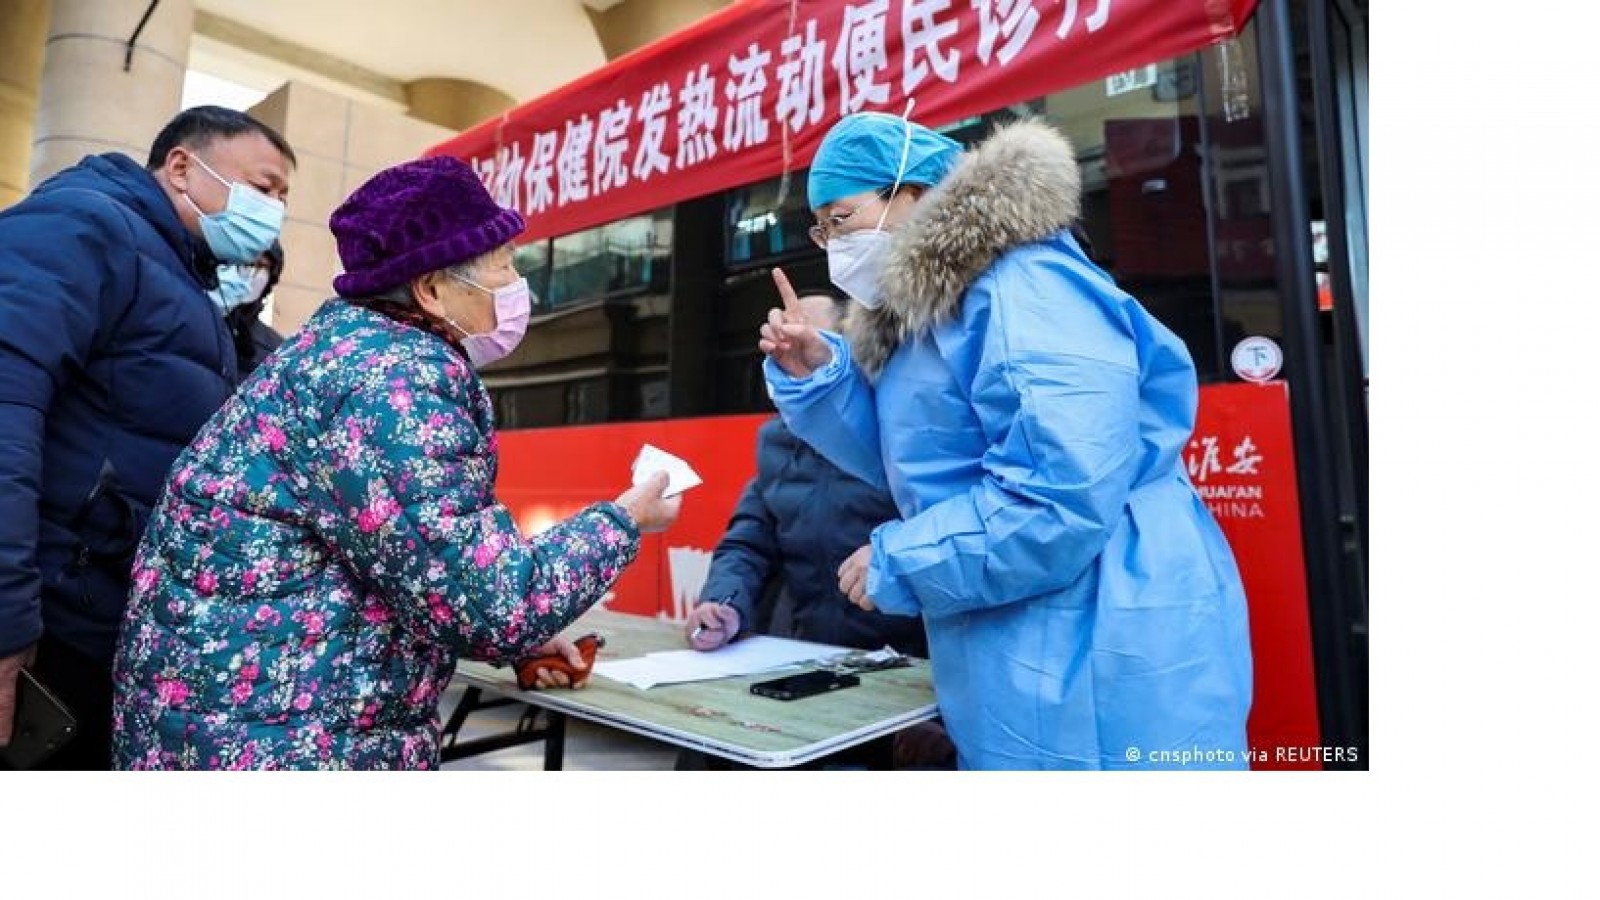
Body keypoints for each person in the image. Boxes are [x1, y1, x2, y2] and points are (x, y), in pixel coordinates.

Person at [111, 156, 681, 770]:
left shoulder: (344, 354)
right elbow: (493, 604)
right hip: (285, 744)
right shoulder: (394, 383)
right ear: (431, 289)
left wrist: (514, 639)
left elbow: (412, 568)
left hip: (240, 727)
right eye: (505, 266)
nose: (520, 288)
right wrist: (624, 520)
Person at [758, 111, 1254, 770]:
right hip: (1025, 620)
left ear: (910, 193)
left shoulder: (1025, 287)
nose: (831, 244)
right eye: (821, 228)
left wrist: (905, 562)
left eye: (841, 219)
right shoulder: (933, 310)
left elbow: (1060, 497)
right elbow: (913, 460)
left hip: (1104, 622)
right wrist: (823, 377)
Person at [0, 105, 295, 769]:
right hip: (49, 624)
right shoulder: (84, 225)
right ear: (183, 167)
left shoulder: (183, 279)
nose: (274, 209)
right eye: (264, 185)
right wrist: (7, 617)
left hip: (102, 623)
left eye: (283, 198)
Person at [685, 292, 926, 660]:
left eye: (810, 342)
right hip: (813, 658)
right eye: (784, 347)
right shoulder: (776, 442)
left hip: (906, 665)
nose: (796, 356)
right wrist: (723, 603)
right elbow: (749, 543)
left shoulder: (895, 435)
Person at [214, 239, 286, 377]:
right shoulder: (196, 318)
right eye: (245, 264)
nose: (251, 272)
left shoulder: (276, 350)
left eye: (261, 266)